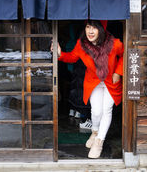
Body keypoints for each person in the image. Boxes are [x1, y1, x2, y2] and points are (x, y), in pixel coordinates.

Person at [51, 20, 124, 158]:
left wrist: (118, 72)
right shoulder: (82, 44)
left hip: (111, 83)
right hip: (93, 82)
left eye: (94, 28)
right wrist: (60, 54)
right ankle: (95, 132)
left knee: (106, 110)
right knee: (96, 112)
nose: (90, 31)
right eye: (88, 27)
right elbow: (72, 58)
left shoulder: (114, 44)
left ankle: (99, 142)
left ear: (101, 30)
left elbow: (125, 54)